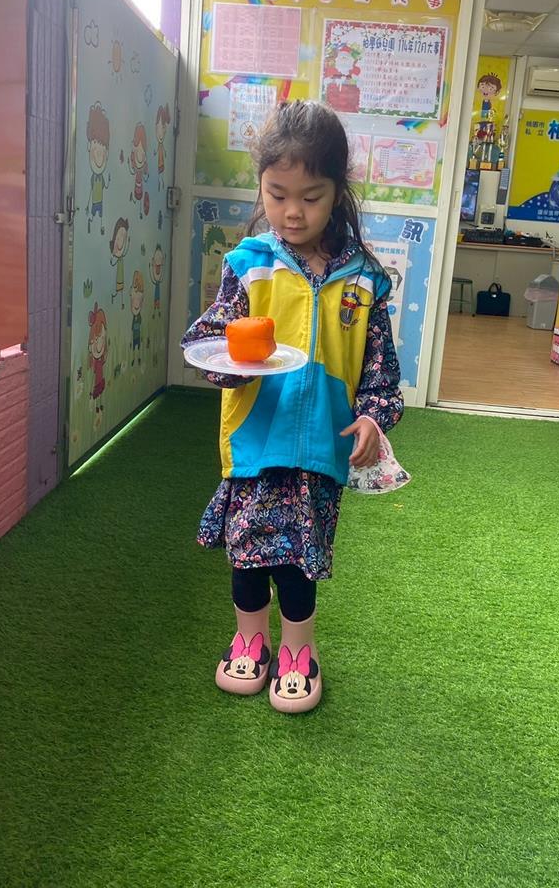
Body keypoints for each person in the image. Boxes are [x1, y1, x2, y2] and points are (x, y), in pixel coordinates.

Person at [181, 100, 403, 714]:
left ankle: (299, 651)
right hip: (256, 439)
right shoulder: (248, 265)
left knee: (300, 561)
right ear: (261, 186)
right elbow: (209, 339)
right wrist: (225, 362)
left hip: (322, 447)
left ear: (338, 192)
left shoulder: (364, 280)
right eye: (277, 195)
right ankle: (249, 639)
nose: (293, 212)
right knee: (249, 550)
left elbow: (382, 373)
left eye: (311, 196)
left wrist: (372, 418)